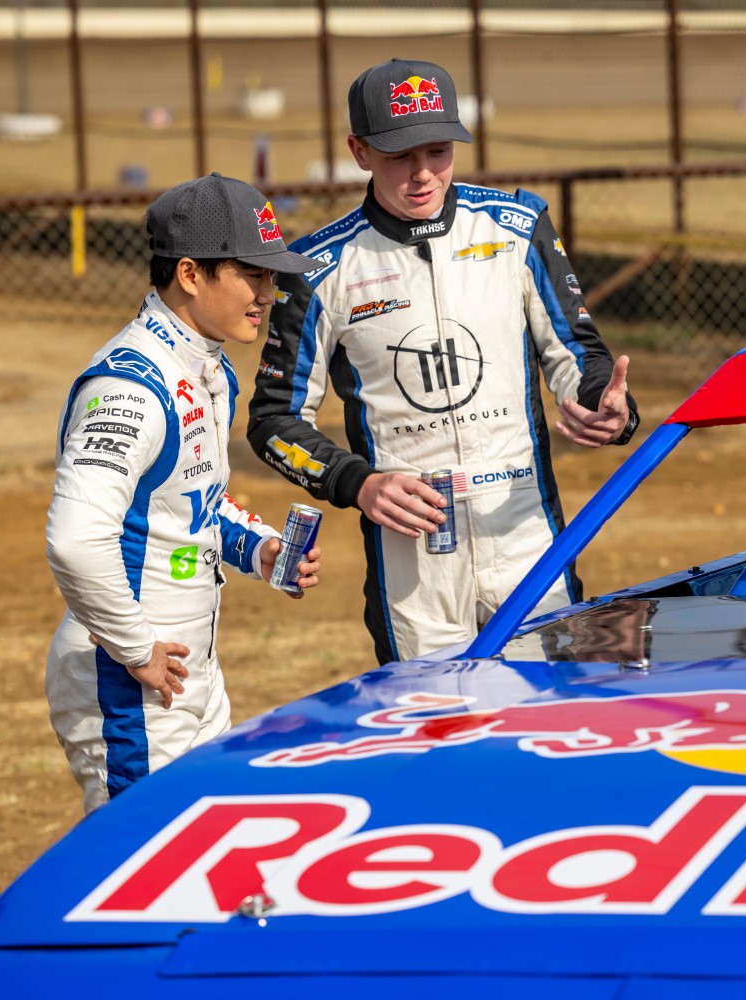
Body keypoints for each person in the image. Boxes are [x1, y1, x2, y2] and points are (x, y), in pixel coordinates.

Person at [248, 58, 639, 665]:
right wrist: (358, 483)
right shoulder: (318, 266)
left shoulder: (517, 228)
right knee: (435, 734)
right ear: (359, 151)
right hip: (415, 561)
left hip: (525, 536)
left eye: (438, 150)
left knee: (551, 722)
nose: (423, 173)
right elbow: (273, 421)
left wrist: (604, 406)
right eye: (401, 155)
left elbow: (578, 357)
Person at [46, 173, 325, 813]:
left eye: (272, 275)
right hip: (129, 680)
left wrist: (258, 550)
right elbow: (75, 540)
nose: (268, 293)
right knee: (140, 882)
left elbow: (189, 501)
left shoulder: (206, 365)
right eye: (251, 274)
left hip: (182, 671)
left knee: (199, 850)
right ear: (192, 274)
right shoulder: (130, 388)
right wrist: (137, 648)